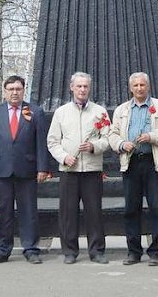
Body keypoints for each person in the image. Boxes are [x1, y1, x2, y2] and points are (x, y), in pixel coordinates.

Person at [0, 75, 49, 264]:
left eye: (18, 89)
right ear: (5, 91)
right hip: (1, 170)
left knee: (29, 212)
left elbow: (41, 143)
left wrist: (42, 168)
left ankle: (31, 249)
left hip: (27, 170)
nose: (15, 92)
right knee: (2, 212)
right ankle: (2, 249)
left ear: (24, 90)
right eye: (11, 89)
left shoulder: (35, 112)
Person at [109, 72, 158, 266]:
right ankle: (133, 252)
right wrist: (122, 144)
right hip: (130, 162)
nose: (139, 88)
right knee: (131, 208)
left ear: (148, 86)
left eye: (142, 85)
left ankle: (156, 251)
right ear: (130, 88)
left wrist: (152, 136)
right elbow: (112, 134)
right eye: (136, 85)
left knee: (156, 208)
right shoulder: (122, 110)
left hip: (153, 162)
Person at [47, 72, 110, 264]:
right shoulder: (61, 112)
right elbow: (52, 141)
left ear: (90, 89)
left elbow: (108, 139)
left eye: (86, 86)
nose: (82, 90)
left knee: (94, 212)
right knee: (68, 213)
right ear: (71, 87)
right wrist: (64, 157)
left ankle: (97, 251)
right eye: (79, 86)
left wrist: (94, 147)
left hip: (91, 169)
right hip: (69, 171)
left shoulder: (100, 112)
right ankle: (70, 251)